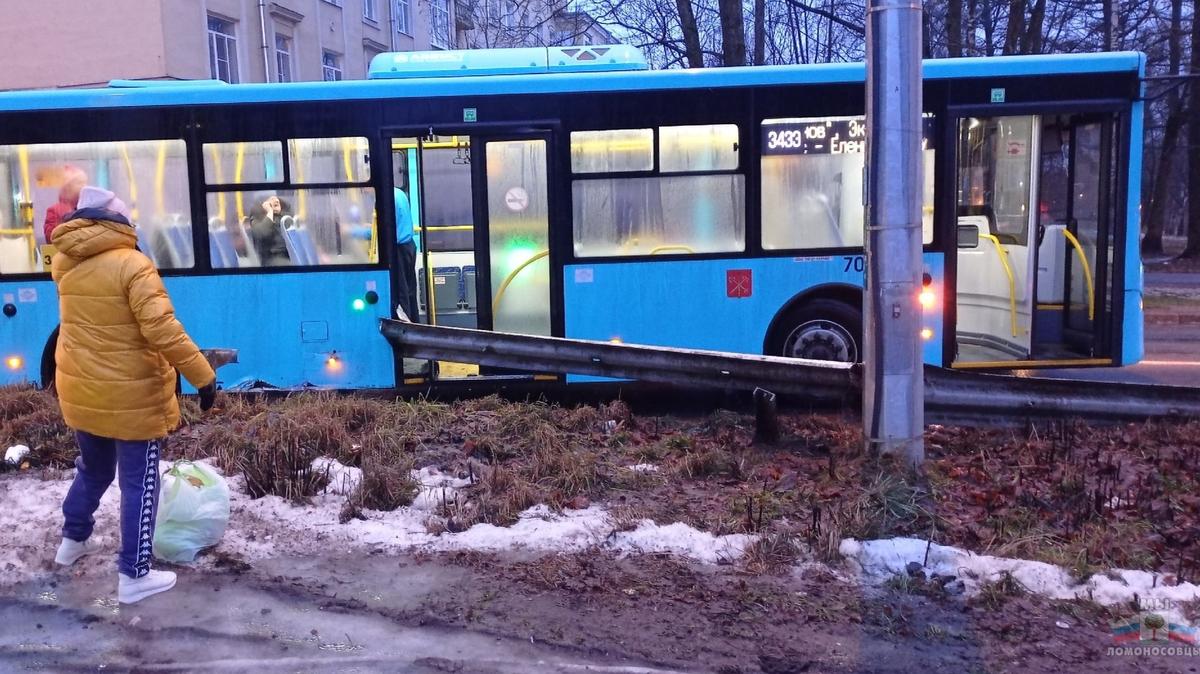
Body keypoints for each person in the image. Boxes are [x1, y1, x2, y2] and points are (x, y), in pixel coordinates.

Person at [49, 186, 217, 605]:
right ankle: (134, 575)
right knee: (140, 485)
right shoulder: (133, 264)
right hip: (132, 396)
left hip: (85, 391)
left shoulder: (67, 263)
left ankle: (71, 542)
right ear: (118, 223)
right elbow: (161, 330)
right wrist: (202, 375)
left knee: (93, 470)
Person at [43, 166, 88, 243]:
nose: (84, 186)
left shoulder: (89, 207)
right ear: (68, 186)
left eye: (85, 182)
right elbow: (51, 238)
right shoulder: (55, 210)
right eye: (79, 183)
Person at [395, 184, 419, 321]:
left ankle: (405, 324)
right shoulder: (399, 193)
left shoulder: (385, 197)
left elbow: (386, 229)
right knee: (410, 291)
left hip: (398, 249)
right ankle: (414, 322)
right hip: (409, 245)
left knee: (401, 291)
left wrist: (354, 231)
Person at [248, 194, 291, 266]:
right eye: (271, 200)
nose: (275, 201)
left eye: (277, 201)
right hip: (273, 257)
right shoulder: (257, 217)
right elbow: (262, 233)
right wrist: (270, 212)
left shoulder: (285, 215)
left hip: (289, 253)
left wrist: (279, 213)